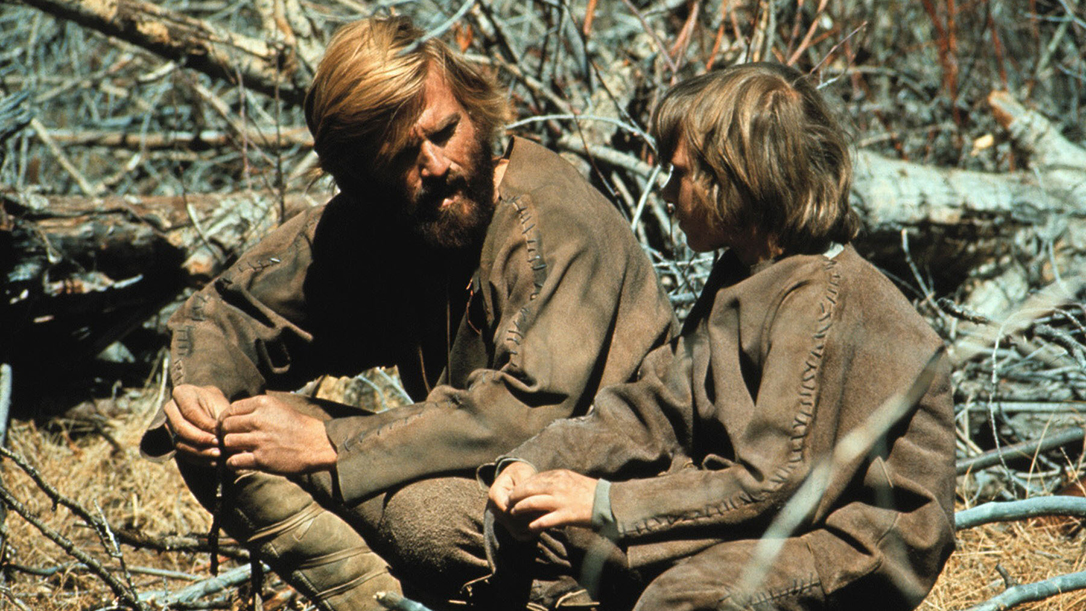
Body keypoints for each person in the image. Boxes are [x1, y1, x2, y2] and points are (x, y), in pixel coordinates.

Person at [140, 15, 676, 611]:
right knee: (229, 437)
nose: (437, 164)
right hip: (490, 486)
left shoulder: (551, 224)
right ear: (363, 179)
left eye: (445, 131)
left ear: (474, 110)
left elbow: (523, 413)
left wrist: (333, 444)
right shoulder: (386, 222)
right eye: (402, 156)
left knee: (429, 520)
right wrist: (202, 395)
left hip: (609, 514)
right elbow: (231, 311)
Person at [486, 63, 956, 611]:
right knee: (547, 526)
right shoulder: (745, 270)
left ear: (733, 180)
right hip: (768, 513)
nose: (665, 190)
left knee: (686, 597)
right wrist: (532, 463)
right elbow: (656, 407)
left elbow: (773, 483)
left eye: (679, 173)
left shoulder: (822, 299)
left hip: (850, 537)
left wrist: (605, 500)